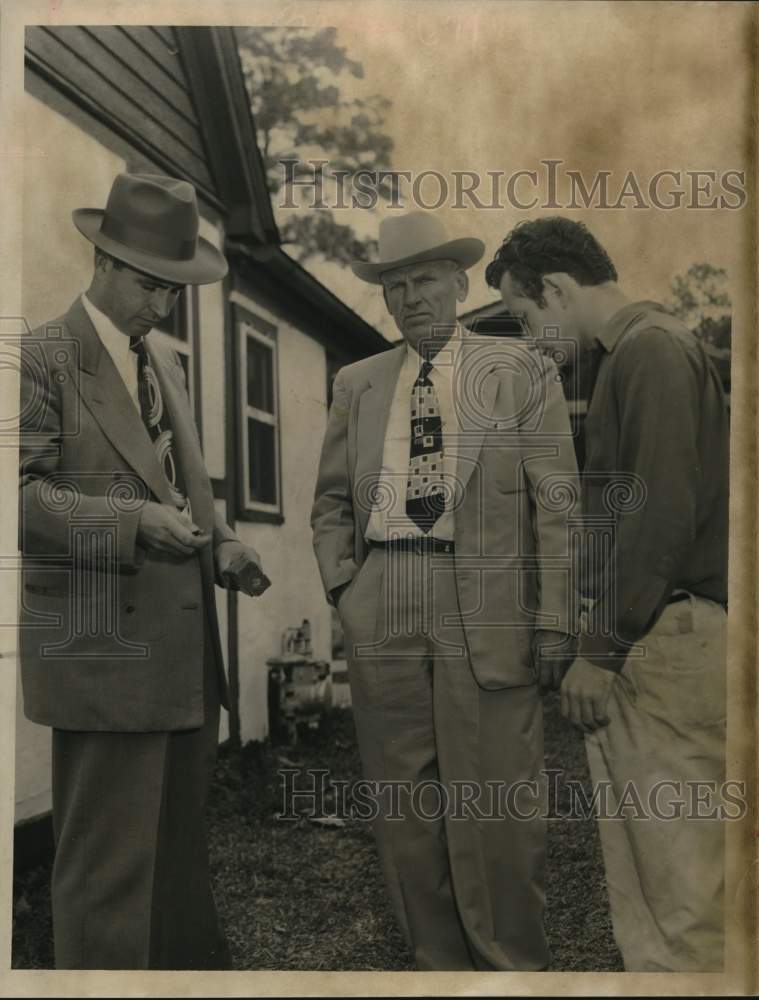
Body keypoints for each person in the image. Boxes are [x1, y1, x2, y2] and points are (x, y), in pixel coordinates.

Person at [310, 211, 579, 970]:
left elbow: (558, 506)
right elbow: (331, 501)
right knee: (402, 805)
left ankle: (510, 972)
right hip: (384, 592)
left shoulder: (523, 370)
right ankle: (437, 969)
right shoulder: (357, 383)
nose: (409, 299)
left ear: (460, 283)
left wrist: (555, 619)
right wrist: (346, 588)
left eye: (423, 280)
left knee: (496, 802)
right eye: (393, 287)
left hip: (486, 599)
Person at [18, 172, 269, 970]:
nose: (163, 306)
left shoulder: (164, 365)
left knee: (176, 872)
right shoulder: (38, 358)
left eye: (175, 290)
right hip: (105, 657)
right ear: (103, 260)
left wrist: (222, 542)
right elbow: (18, 500)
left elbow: (185, 488)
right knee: (106, 877)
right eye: (151, 286)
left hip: (183, 659)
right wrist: (132, 525)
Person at [489, 216, 729, 971]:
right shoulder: (628, 357)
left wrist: (601, 649)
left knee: (681, 892)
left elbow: (658, 518)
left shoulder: (650, 352)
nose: (529, 339)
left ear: (557, 290)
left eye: (526, 318)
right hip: (653, 641)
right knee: (648, 889)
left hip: (662, 641)